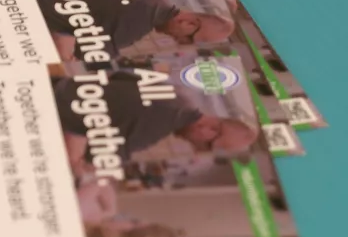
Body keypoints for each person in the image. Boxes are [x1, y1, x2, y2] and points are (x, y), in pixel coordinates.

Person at [54, 71, 257, 171]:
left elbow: (113, 76)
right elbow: (84, 161)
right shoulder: (153, 130)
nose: (198, 148)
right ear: (211, 128)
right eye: (207, 145)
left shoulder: (170, 89)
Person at [34, 0, 235, 61]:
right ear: (189, 22)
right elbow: (80, 56)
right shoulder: (136, 27)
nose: (181, 42)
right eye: (190, 38)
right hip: (28, 16)